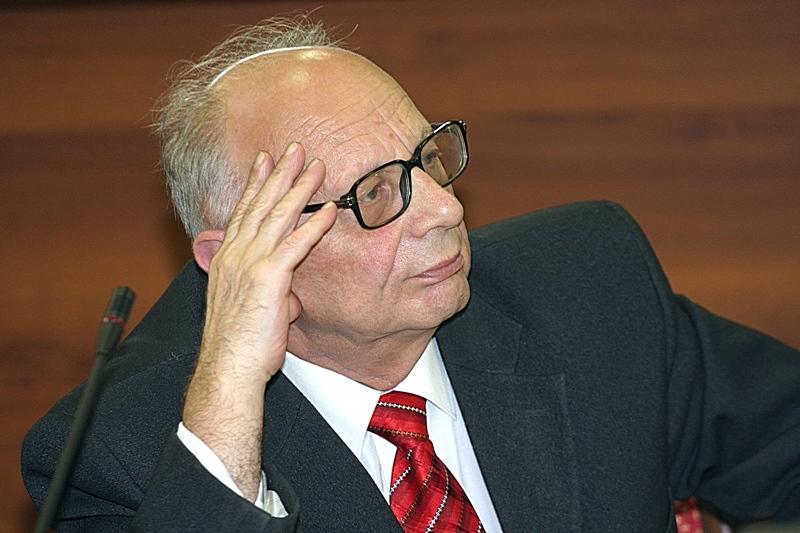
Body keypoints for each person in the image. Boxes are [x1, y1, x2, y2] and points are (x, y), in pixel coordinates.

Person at [22, 17, 800, 532]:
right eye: (375, 194)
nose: (445, 209)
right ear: (244, 259)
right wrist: (228, 385)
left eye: (428, 157)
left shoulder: (586, 285)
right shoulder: (114, 451)